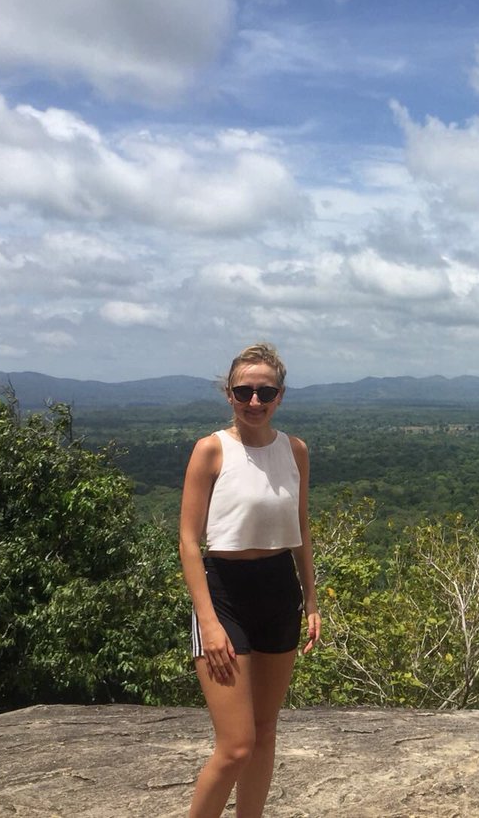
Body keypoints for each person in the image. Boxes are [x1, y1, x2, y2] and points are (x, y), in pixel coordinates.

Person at [179, 342, 321, 818]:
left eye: (266, 392)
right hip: (225, 593)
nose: (254, 402)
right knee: (236, 745)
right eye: (244, 391)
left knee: (265, 732)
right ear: (229, 394)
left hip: (280, 591)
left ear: (280, 395)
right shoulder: (211, 450)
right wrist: (208, 619)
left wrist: (313, 601)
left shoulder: (294, 451)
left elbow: (300, 532)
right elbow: (187, 541)